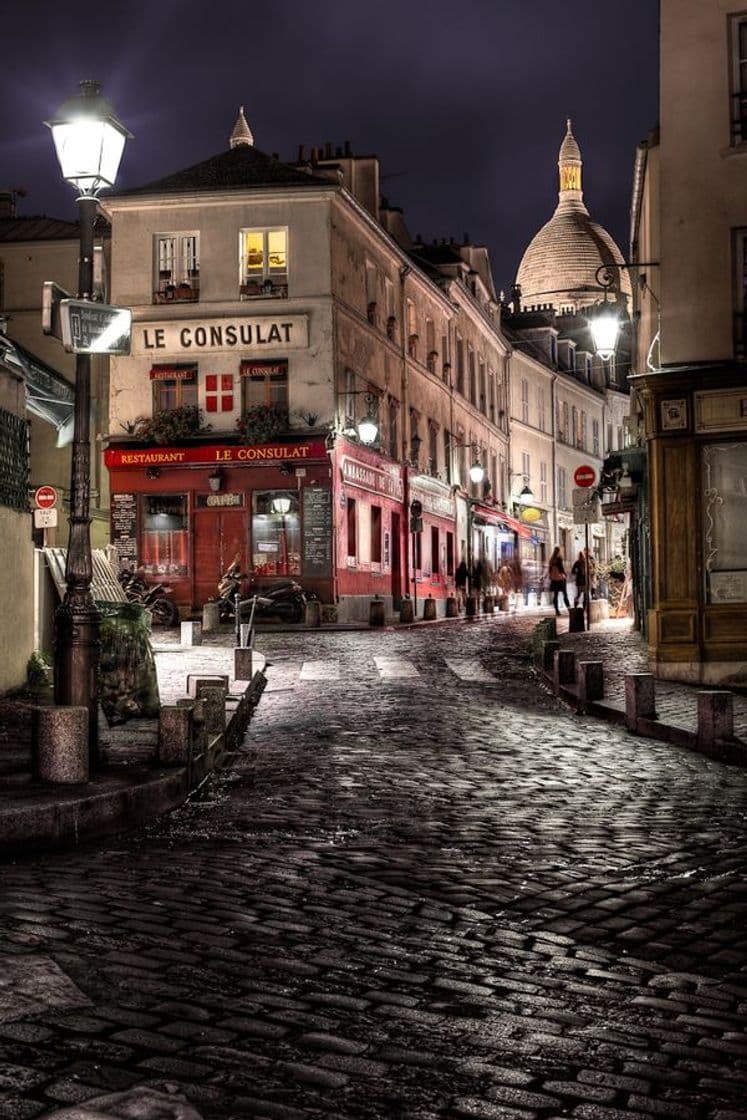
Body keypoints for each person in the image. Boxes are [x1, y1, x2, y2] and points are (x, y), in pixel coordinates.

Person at [548, 546, 571, 616]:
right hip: (560, 579)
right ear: (559, 551)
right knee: (565, 594)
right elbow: (561, 568)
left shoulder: (551, 559)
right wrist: (565, 575)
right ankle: (569, 609)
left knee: (556, 595)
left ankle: (557, 611)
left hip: (554, 579)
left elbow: (549, 570)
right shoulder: (559, 559)